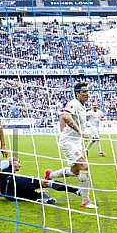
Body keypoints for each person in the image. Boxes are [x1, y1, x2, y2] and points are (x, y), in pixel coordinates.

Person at [45, 81, 96, 209]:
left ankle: (50, 175)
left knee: (75, 171)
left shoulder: (82, 106)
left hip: (75, 142)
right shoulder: (73, 103)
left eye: (87, 91)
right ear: (77, 94)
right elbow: (65, 116)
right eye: (83, 92)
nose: (86, 94)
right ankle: (86, 201)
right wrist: (79, 131)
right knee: (84, 167)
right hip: (68, 142)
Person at [0, 157, 82, 204]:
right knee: (45, 183)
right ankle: (75, 190)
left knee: (42, 194)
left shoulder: (3, 173)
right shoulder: (7, 163)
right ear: (13, 162)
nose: (20, 164)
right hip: (15, 184)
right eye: (18, 162)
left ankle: (42, 199)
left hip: (10, 195)